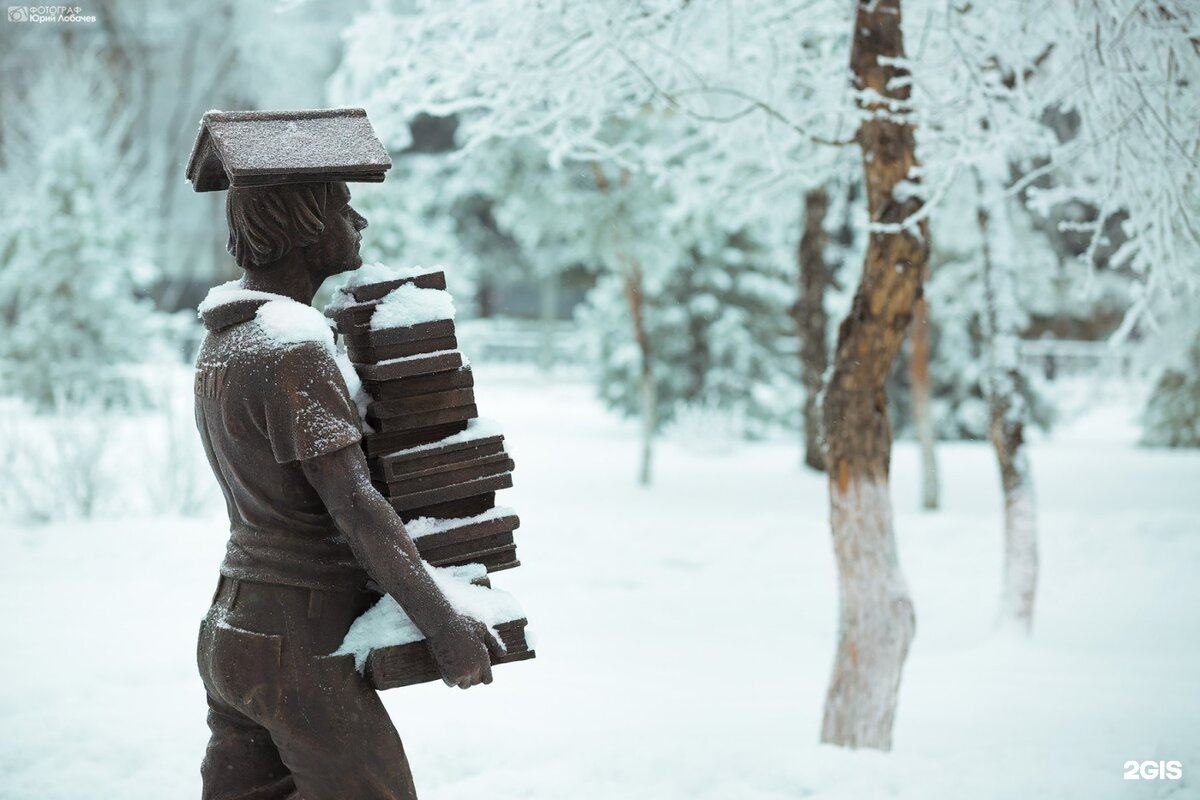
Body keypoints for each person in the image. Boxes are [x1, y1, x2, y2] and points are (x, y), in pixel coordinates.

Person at [193, 179, 499, 800]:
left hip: (234, 627)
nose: (357, 219)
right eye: (339, 206)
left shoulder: (226, 340)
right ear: (302, 224)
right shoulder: (290, 348)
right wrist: (442, 623)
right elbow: (356, 505)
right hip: (297, 642)